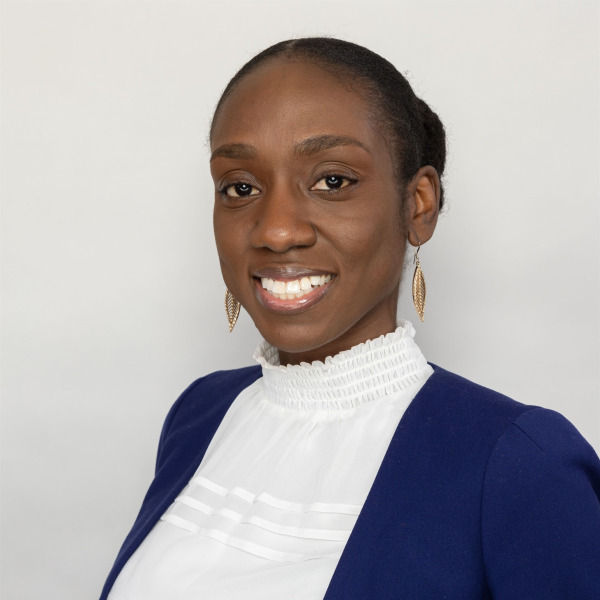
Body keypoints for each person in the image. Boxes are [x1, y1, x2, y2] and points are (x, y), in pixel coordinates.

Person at [100, 38, 600, 600]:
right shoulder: (200, 414)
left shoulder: (517, 463)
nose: (276, 231)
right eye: (241, 187)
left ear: (418, 204)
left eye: (332, 181)